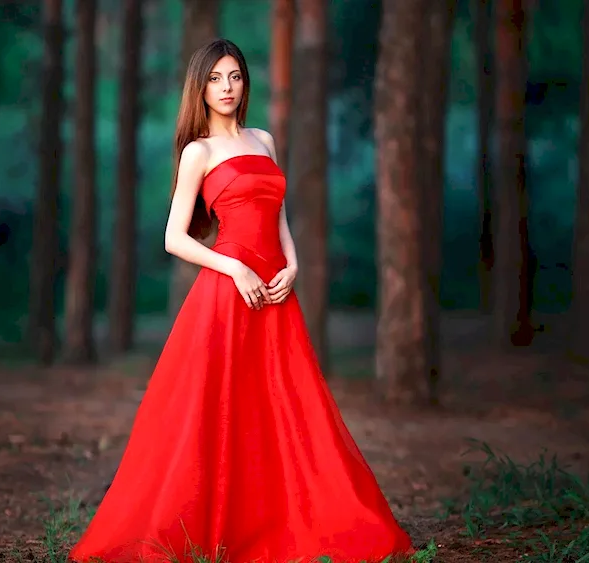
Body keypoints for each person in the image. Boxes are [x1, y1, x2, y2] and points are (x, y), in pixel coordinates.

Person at [68, 38, 413, 563]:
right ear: (199, 88)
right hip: (229, 295)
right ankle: (209, 528)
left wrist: (292, 265)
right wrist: (234, 267)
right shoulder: (198, 152)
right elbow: (174, 238)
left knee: (285, 408)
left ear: (245, 82)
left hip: (276, 291)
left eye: (234, 77)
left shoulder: (264, 140)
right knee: (217, 413)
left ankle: (292, 522)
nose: (226, 88)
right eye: (215, 79)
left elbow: (279, 218)